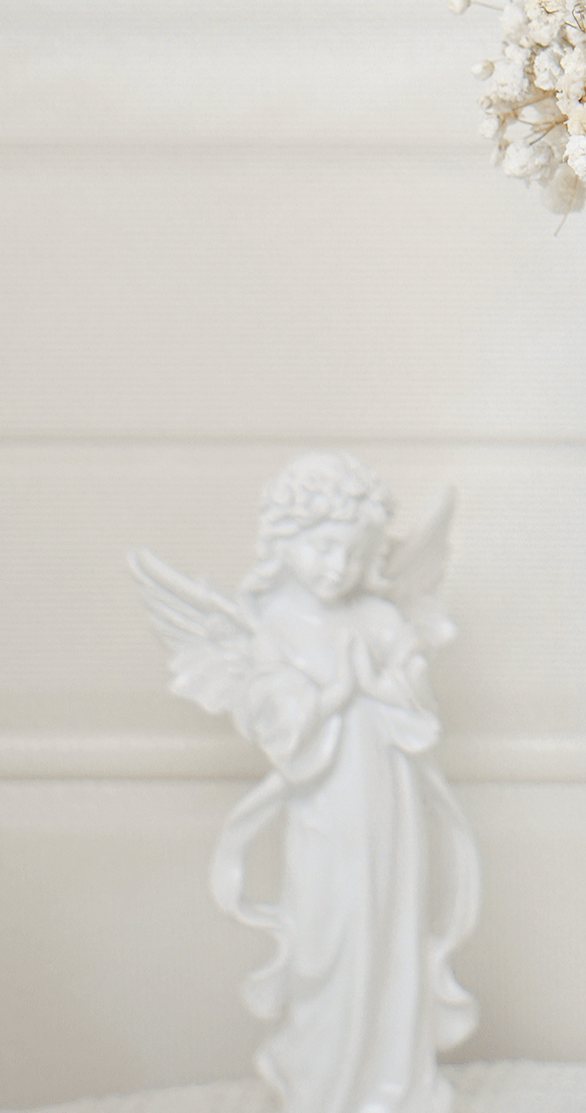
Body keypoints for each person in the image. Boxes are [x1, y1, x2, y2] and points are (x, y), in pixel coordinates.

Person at [134, 453, 479, 1113]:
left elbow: (419, 706)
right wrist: (331, 697)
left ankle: (393, 1081)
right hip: (325, 803)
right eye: (321, 549)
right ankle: (318, 1081)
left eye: (354, 553)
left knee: (390, 924)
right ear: (283, 544)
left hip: (390, 801)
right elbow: (275, 719)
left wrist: (385, 685)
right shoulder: (276, 626)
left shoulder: (382, 618)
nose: (336, 567)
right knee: (330, 932)